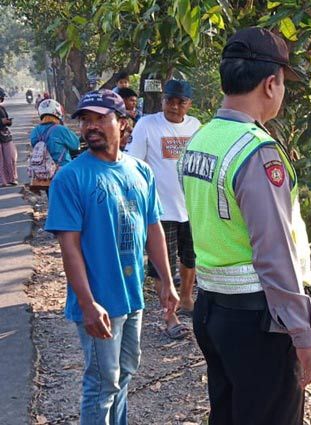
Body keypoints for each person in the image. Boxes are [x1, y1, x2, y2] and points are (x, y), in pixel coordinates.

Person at [179, 27, 311, 424]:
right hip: (258, 321)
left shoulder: (201, 140)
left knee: (227, 414)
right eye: (283, 84)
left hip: (213, 310)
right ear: (271, 83)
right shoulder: (256, 152)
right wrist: (304, 336)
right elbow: (274, 253)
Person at [44, 89, 179, 424]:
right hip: (99, 301)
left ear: (123, 123)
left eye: (100, 118)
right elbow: (69, 247)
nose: (91, 126)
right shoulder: (71, 178)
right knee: (103, 383)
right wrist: (87, 303)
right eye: (86, 120)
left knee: (125, 375)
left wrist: (165, 280)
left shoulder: (140, 172)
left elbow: (153, 229)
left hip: (132, 298)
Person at [125, 79, 201, 339]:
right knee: (162, 265)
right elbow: (134, 163)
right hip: (159, 209)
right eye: (170, 100)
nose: (175, 106)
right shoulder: (147, 124)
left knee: (190, 258)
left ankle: (188, 299)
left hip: (191, 206)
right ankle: (170, 315)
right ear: (162, 100)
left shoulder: (196, 127)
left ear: (189, 105)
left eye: (181, 102)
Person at [30, 99, 80, 168]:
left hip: (41, 172)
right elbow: (76, 145)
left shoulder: (35, 131)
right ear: (57, 112)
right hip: (62, 171)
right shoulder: (61, 129)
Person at [0, 89, 17, 187]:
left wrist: (8, 122)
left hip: (5, 136)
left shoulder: (2, 109)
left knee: (10, 157)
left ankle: (12, 178)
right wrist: (2, 122)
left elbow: (7, 122)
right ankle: (3, 181)